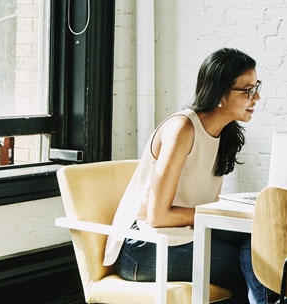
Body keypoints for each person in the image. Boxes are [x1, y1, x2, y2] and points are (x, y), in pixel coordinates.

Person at [103, 48, 268, 304]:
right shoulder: (182, 128)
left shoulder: (226, 134)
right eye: (247, 90)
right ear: (220, 93)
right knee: (256, 269)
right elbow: (158, 216)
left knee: (266, 241)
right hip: (144, 247)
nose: (256, 97)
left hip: (187, 234)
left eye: (256, 87)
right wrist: (216, 213)